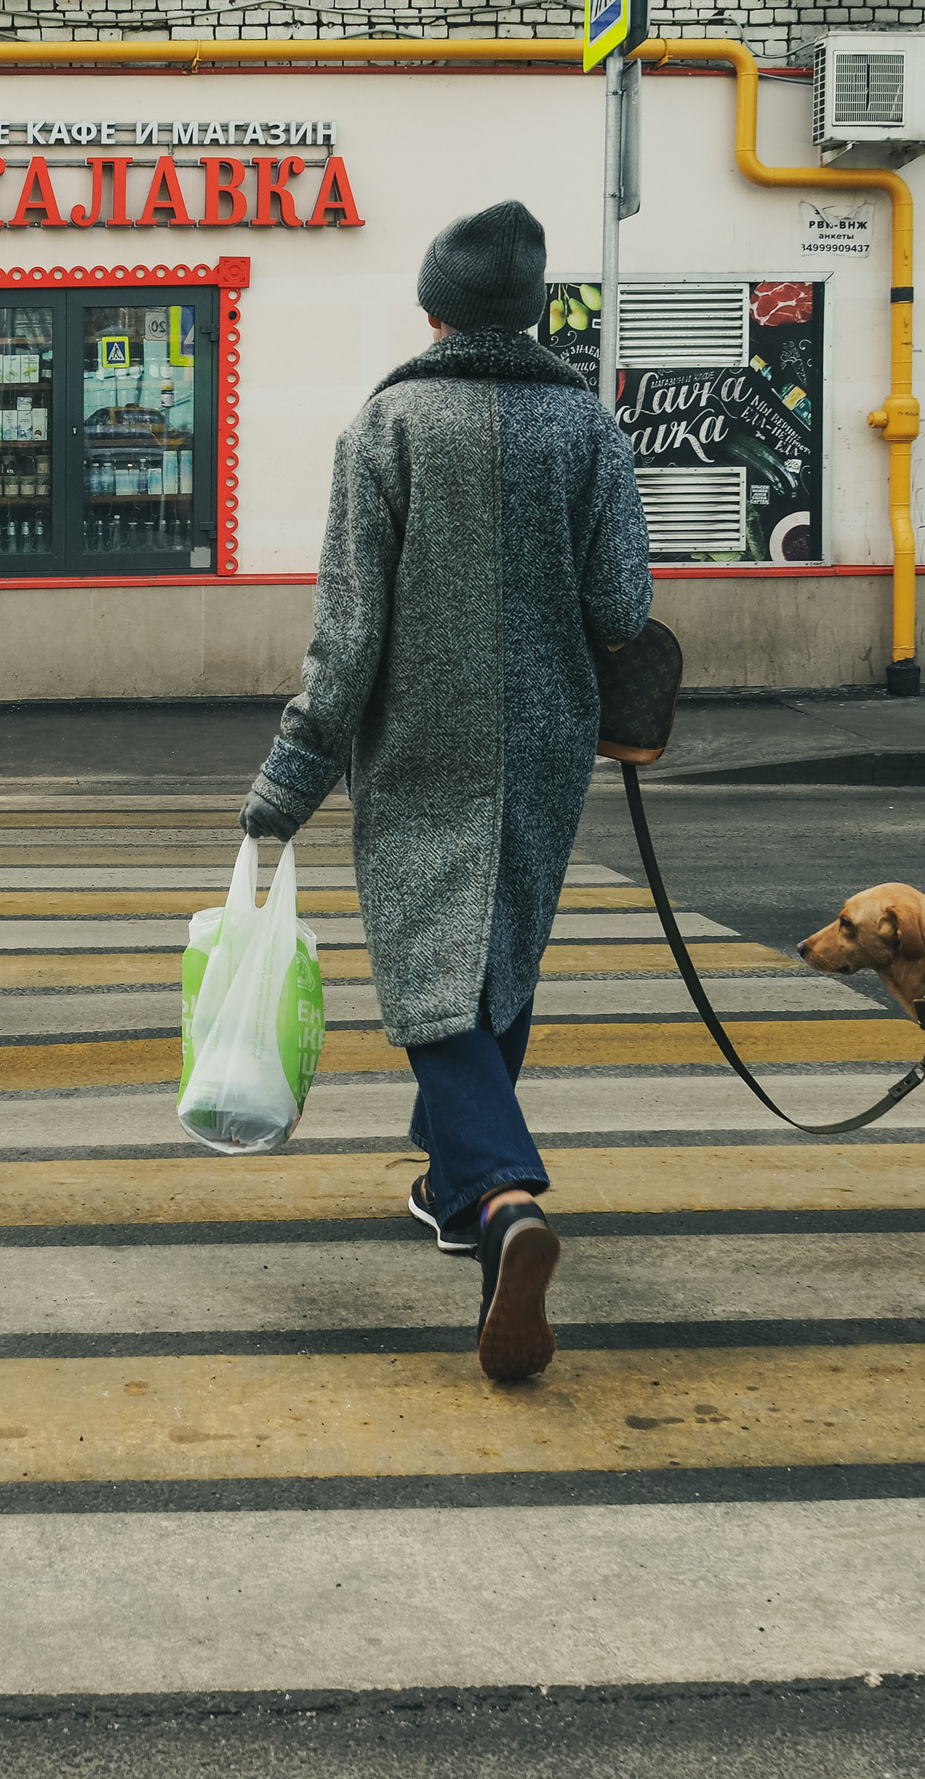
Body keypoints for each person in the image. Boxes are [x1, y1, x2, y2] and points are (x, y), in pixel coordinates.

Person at [239, 199, 651, 1382]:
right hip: (545, 741)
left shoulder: (390, 425)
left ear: (433, 310)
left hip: (418, 738)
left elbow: (348, 628)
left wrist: (289, 777)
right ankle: (456, 1189)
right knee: (498, 953)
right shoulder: (590, 428)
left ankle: (504, 1197)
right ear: (531, 315)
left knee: (430, 976)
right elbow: (622, 607)